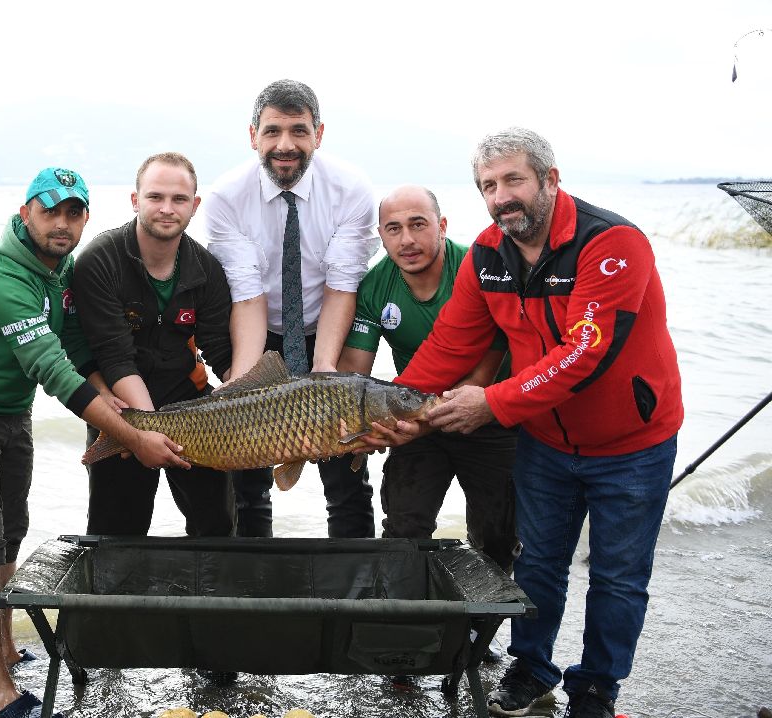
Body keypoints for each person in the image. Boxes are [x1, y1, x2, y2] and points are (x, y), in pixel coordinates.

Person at [372, 128, 683, 718]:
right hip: (543, 437)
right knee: (537, 560)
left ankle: (595, 688)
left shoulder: (612, 243)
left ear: (550, 179)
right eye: (488, 186)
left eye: (513, 180)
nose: (500, 197)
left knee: (618, 576)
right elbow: (448, 347)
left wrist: (491, 403)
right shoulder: (489, 254)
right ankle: (531, 669)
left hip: (631, 443)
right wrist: (396, 411)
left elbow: (582, 351)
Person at [0, 167, 189, 716]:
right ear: (26, 214)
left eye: (74, 212)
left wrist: (112, 399)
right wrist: (131, 436)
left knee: (11, 535)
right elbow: (51, 368)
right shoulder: (4, 276)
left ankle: (0, 647)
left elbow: (73, 345)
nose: (62, 223)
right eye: (50, 211)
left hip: (11, 410)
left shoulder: (61, 270)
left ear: (86, 218)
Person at [205, 79, 380, 538]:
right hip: (259, 328)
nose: (285, 145)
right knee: (248, 473)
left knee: (345, 468)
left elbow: (343, 285)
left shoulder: (352, 189)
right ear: (253, 136)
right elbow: (247, 295)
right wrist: (240, 382)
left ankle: (354, 590)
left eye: (299, 131)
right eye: (273, 131)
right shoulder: (226, 197)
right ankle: (252, 581)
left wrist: (325, 371)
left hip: (328, 321)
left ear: (319, 134)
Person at [338, 185, 517, 572]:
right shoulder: (373, 287)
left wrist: (475, 398)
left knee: (498, 537)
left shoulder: (478, 265)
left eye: (418, 225)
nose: (407, 240)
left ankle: (479, 627)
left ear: (442, 226)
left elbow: (494, 354)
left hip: (487, 412)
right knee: (404, 529)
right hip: (415, 411)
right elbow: (354, 371)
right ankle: (407, 621)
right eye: (393, 228)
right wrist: (353, 426)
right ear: (381, 236)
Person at [72, 152, 235, 538]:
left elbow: (220, 351)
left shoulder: (206, 268)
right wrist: (145, 433)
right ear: (135, 201)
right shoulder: (100, 259)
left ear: (195, 206)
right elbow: (115, 357)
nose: (167, 209)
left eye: (179, 200)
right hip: (122, 406)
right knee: (115, 536)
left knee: (218, 528)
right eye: (155, 197)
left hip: (193, 404)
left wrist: (241, 391)